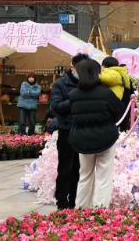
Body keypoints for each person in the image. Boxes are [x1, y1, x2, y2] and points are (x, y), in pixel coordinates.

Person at [68, 57, 125, 209]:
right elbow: (119, 112)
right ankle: (99, 210)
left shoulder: (73, 95)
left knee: (84, 175)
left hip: (82, 139)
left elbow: (73, 116)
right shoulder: (106, 93)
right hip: (106, 138)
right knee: (104, 177)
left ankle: (81, 209)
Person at [50, 55, 82, 209]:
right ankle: (62, 203)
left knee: (79, 170)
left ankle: (74, 202)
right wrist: (76, 98)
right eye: (80, 69)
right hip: (66, 131)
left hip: (83, 132)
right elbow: (56, 107)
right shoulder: (61, 84)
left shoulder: (88, 84)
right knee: (65, 169)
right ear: (73, 68)